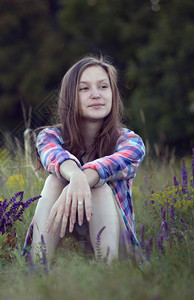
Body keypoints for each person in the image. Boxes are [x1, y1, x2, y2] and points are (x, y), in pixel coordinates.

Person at [23, 55, 145, 263]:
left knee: (99, 188)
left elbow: (108, 167)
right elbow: (54, 156)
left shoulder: (130, 141)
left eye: (103, 87)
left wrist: (81, 180)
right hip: (66, 241)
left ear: (113, 94)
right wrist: (76, 179)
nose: (96, 95)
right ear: (70, 97)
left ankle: (108, 276)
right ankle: (38, 269)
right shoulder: (50, 136)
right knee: (54, 181)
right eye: (84, 89)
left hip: (118, 245)